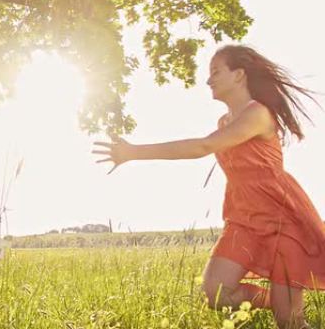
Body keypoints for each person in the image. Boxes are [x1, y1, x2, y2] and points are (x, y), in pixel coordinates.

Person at [92, 45, 325, 329]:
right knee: (216, 292)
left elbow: (204, 146)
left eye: (216, 72)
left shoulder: (258, 114)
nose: (208, 80)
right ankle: (279, 301)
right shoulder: (225, 121)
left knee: (288, 323)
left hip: (280, 217)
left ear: (239, 75)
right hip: (243, 218)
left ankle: (288, 309)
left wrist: (134, 152)